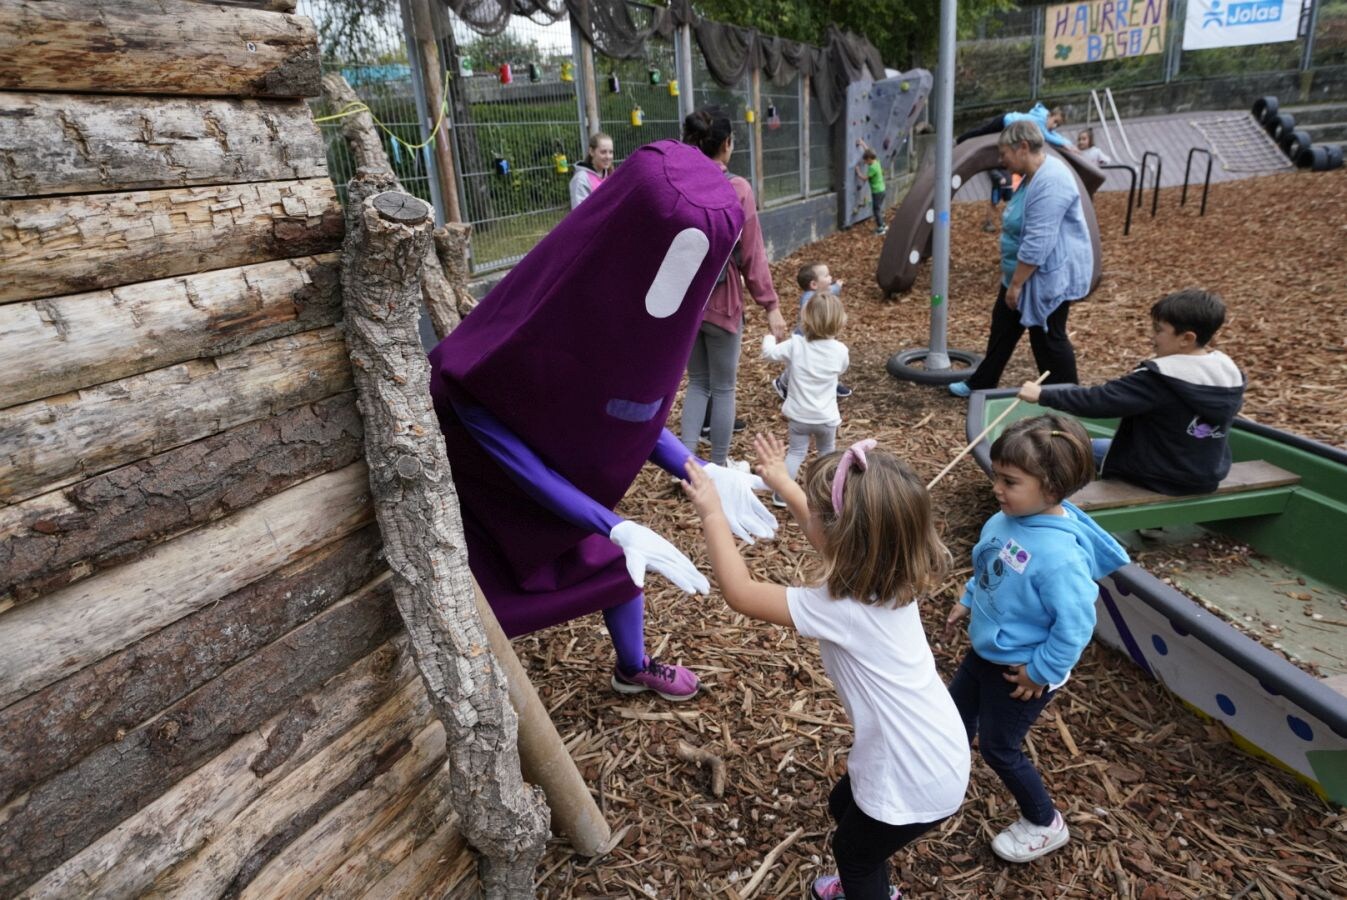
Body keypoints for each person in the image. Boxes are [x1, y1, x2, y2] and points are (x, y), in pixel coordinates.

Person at [428, 139, 777, 704]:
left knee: (621, 564)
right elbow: (484, 419)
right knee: (472, 595)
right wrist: (607, 522)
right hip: (476, 480)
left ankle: (632, 665)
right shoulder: (558, 307)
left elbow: (626, 412)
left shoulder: (637, 326)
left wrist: (700, 469)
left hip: (554, 469)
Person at [682, 435, 969, 900]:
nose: (809, 518)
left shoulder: (843, 608)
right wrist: (780, 480)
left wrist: (714, 513)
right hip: (934, 751)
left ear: (843, 537)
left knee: (853, 852)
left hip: (912, 773)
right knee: (843, 806)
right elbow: (829, 534)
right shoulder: (891, 577)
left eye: (816, 513)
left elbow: (740, 591)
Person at [941, 415, 1129, 863]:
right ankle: (940, 773)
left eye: (1010, 480)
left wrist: (1040, 672)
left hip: (1021, 670)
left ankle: (1045, 822)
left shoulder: (1060, 557)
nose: (996, 488)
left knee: (999, 748)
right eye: (997, 477)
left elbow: (1076, 626)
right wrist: (969, 597)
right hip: (987, 649)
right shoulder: (1006, 519)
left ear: (1052, 487)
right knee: (952, 718)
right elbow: (989, 566)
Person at [1018, 289, 1245, 495]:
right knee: (1100, 446)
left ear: (1187, 338)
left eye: (1159, 330)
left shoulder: (1158, 380)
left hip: (1159, 477)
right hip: (1204, 475)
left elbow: (1099, 401)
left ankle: (1067, 508)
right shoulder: (1228, 376)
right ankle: (1154, 526)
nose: (1152, 336)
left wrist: (1042, 394)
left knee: (1071, 447)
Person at [949, 119, 1094, 398]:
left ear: (1023, 147)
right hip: (1022, 273)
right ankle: (982, 382)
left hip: (1045, 277)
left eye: (1004, 154)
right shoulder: (1032, 176)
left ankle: (1067, 397)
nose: (1001, 161)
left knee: (1048, 338)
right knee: (1003, 325)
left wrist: (1016, 285)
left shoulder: (1051, 181)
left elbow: (1039, 241)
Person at [679, 107, 786, 467]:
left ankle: (687, 466)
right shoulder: (737, 189)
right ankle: (719, 466)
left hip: (687, 303)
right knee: (723, 387)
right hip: (723, 304)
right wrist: (770, 305)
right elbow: (751, 254)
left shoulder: (679, 183)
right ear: (726, 144)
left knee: (697, 384)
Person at [762, 291, 849, 506]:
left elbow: (769, 354)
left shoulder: (796, 345)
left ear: (806, 319)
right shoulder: (840, 351)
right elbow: (842, 368)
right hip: (826, 418)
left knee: (795, 453)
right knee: (827, 455)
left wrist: (770, 337)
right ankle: (828, 494)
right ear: (839, 322)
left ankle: (781, 496)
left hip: (799, 416)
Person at [957, 103, 1072, 233]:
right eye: (1055, 122)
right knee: (982, 131)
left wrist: (1068, 143)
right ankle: (961, 140)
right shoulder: (1040, 120)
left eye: (1058, 125)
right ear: (1050, 115)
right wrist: (1065, 143)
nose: (1054, 126)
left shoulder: (1043, 120)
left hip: (1010, 127)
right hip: (1005, 121)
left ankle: (996, 221)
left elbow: (1052, 134)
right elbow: (1047, 136)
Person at [772, 263, 852, 401]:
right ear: (814, 284)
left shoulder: (821, 293)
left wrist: (837, 287)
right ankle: (782, 383)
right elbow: (807, 314)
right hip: (805, 338)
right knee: (796, 365)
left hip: (822, 335)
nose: (830, 277)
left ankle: (831, 384)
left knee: (828, 359)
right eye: (826, 275)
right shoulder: (809, 299)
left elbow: (831, 290)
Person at [568, 131, 614, 208]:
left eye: (611, 152)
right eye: (603, 152)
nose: (608, 156)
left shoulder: (611, 175)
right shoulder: (581, 179)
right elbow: (579, 213)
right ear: (592, 152)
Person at [855, 142, 888, 235]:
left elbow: (864, 178)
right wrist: (862, 143)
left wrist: (858, 172)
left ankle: (881, 228)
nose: (865, 162)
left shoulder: (872, 168)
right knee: (878, 208)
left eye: (865, 161)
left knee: (876, 210)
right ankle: (883, 225)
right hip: (882, 190)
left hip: (877, 192)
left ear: (869, 159)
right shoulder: (876, 161)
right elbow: (868, 151)